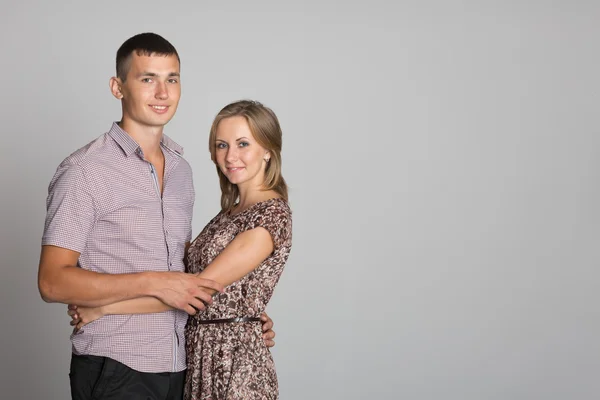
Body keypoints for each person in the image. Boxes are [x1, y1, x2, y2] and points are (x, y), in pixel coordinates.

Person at [38, 33, 275, 400]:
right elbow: (52, 282)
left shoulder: (182, 171)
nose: (162, 93)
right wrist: (152, 282)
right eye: (147, 79)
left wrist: (241, 318)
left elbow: (190, 278)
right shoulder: (85, 170)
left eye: (172, 79)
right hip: (116, 363)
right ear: (118, 87)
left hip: (183, 363)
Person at [70, 100, 292, 400]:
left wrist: (103, 308)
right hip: (199, 355)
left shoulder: (270, 216)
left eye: (243, 144)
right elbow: (200, 279)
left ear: (268, 150)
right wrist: (250, 314)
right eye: (222, 145)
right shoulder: (231, 212)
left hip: (234, 364)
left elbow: (194, 292)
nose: (230, 156)